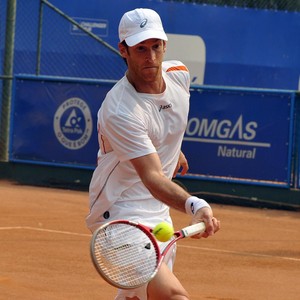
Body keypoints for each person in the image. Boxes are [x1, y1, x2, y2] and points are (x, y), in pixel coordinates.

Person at [86, 8, 220, 300]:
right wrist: (194, 205)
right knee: (174, 297)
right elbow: (151, 175)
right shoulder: (120, 109)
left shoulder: (179, 75)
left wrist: (173, 148)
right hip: (119, 214)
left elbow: (162, 124)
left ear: (165, 45)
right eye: (141, 49)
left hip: (159, 214)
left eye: (156, 46)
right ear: (124, 50)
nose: (151, 57)